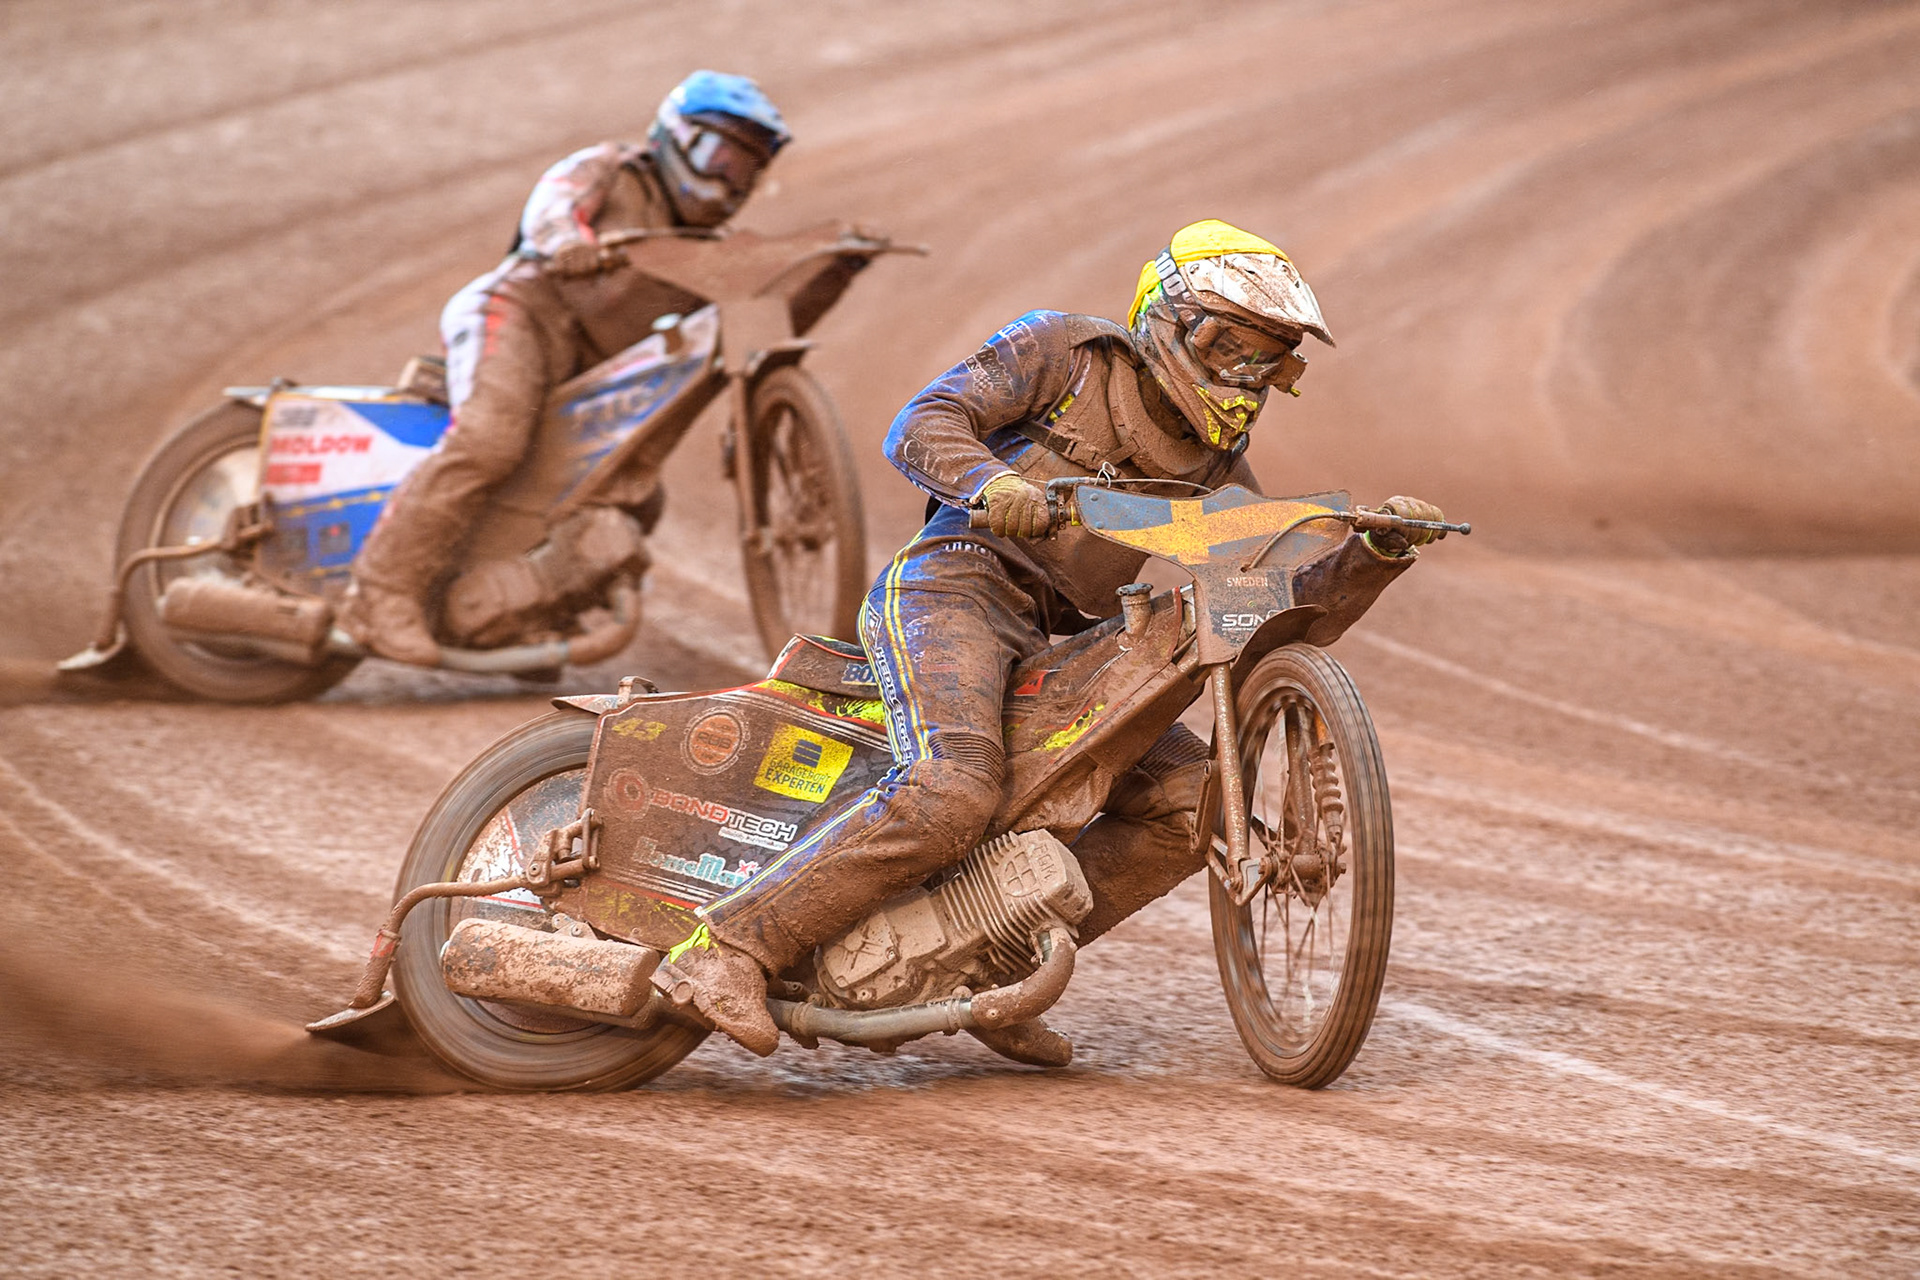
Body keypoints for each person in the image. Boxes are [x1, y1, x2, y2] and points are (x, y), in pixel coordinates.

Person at [652, 219, 1447, 1058]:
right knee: (951, 788)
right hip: (952, 583)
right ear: (1167, 319)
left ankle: (989, 979)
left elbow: (1264, 621)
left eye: (1266, 359)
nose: (1241, 376)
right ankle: (724, 951)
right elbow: (921, 423)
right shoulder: (1062, 354)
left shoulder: (1219, 475)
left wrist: (1372, 556)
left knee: (1199, 805)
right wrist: (989, 483)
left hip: (1065, 642)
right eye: (1226, 345)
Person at [340, 71, 791, 663]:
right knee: (489, 440)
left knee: (631, 492)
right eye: (719, 155)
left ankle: (513, 606)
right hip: (517, 311)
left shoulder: (705, 247)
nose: (727, 181)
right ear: (674, 138)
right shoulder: (609, 166)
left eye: (746, 170)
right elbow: (553, 206)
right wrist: (565, 241)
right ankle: (378, 595)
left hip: (586, 364)